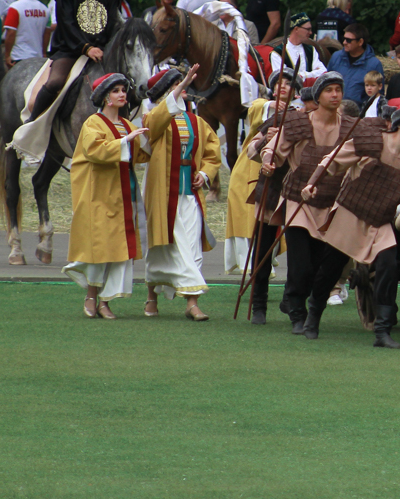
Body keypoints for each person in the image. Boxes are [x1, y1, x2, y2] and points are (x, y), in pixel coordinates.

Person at [303, 102, 400, 347]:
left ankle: (382, 331)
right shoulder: (371, 142)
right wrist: (312, 184)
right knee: (330, 268)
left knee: (388, 266)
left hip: (381, 220)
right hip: (350, 212)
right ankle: (313, 317)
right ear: (398, 123)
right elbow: (332, 160)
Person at [260, 71, 352, 338]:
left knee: (322, 265)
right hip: (297, 201)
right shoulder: (299, 123)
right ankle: (298, 315)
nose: (335, 95)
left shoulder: (349, 127)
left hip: (331, 203)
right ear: (319, 95)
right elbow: (275, 147)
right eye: (329, 90)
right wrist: (269, 159)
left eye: (339, 90)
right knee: (301, 265)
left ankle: (303, 306)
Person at [62, 74, 151, 318]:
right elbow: (94, 151)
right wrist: (126, 141)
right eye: (116, 91)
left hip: (125, 193)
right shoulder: (93, 122)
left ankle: (106, 301)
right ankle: (91, 295)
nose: (122, 94)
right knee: (100, 248)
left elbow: (141, 155)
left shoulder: (128, 124)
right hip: (100, 194)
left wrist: (146, 142)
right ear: (105, 97)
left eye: (123, 90)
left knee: (121, 249)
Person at [141, 65, 220, 321]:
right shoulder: (153, 118)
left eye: (184, 86)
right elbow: (154, 125)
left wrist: (205, 174)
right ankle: (152, 296)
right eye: (177, 86)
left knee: (192, 245)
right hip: (163, 191)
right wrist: (181, 83)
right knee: (161, 245)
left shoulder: (197, 122)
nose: (184, 90)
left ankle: (191, 302)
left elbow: (212, 152)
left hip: (191, 192)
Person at [30, 0, 124, 122]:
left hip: (103, 49)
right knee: (55, 82)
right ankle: (33, 123)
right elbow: (67, 25)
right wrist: (87, 48)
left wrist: (106, 47)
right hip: (71, 49)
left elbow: (113, 24)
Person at [226, 68, 294, 279]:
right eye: (277, 83)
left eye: (288, 83)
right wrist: (270, 105)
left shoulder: (296, 113)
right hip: (249, 171)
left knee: (270, 223)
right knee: (246, 220)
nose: (281, 86)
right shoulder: (261, 106)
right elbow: (254, 111)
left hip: (278, 177)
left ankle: (264, 265)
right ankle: (251, 268)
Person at [326, 21, 383, 105]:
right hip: (334, 110)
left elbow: (379, 96)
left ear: (360, 42)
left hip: (358, 113)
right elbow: (326, 84)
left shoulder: (374, 64)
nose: (344, 42)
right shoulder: (336, 57)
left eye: (349, 40)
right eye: (343, 38)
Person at [2, 0, 48, 69]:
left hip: (19, 57)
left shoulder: (15, 8)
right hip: (38, 58)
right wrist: (43, 52)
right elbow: (47, 33)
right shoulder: (44, 9)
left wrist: (7, 55)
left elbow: (11, 33)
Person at [278, 13, 328, 80]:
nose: (310, 32)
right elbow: (283, 77)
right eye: (308, 29)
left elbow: (323, 71)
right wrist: (313, 74)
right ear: (296, 29)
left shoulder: (311, 50)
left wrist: (302, 75)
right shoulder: (278, 52)